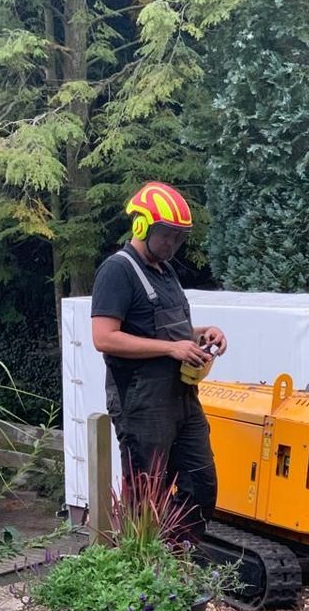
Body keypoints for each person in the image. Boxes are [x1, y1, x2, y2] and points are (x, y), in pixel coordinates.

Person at [91, 181, 227, 538]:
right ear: (141, 226)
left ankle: (175, 558)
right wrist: (171, 349)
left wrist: (201, 334)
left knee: (201, 486)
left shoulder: (166, 272)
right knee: (144, 495)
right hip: (141, 403)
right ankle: (142, 570)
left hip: (181, 399)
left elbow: (168, 330)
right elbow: (103, 337)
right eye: (167, 235)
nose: (172, 244)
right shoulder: (117, 271)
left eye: (179, 238)